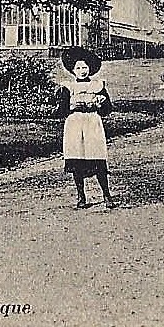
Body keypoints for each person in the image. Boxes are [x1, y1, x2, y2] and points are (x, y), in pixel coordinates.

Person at [55, 47, 116, 209]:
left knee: (97, 157)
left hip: (92, 123)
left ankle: (106, 194)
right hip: (75, 124)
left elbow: (107, 110)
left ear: (90, 68)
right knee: (77, 158)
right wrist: (72, 105)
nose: (82, 71)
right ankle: (81, 196)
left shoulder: (97, 85)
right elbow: (61, 111)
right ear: (73, 70)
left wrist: (99, 103)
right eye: (78, 68)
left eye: (85, 67)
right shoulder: (68, 87)